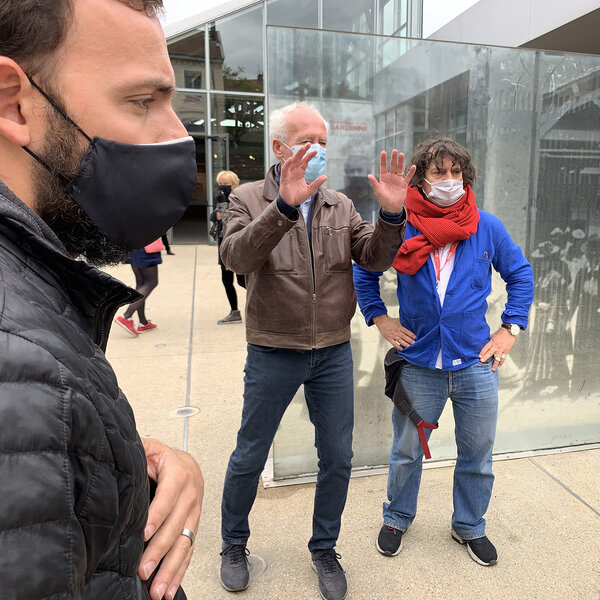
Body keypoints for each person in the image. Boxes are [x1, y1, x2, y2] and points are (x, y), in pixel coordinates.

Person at [0, 2, 204, 599]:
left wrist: (138, 468)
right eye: (143, 102)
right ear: (15, 101)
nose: (176, 135)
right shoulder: (23, 374)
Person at [218, 102, 413, 600]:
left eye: (325, 141)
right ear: (280, 148)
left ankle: (324, 546)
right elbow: (238, 257)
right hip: (272, 349)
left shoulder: (340, 206)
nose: (320, 150)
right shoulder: (245, 198)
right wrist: (282, 207)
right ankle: (233, 543)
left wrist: (393, 215)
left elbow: (374, 257)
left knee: (338, 457)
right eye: (310, 140)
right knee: (250, 454)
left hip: (330, 351)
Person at [353, 138, 534, 567]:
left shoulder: (486, 226)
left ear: (465, 177)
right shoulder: (401, 228)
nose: (449, 181)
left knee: (477, 453)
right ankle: (397, 517)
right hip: (418, 365)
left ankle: (469, 525)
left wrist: (510, 329)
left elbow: (520, 275)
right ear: (422, 177)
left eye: (456, 173)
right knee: (406, 451)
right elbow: (365, 268)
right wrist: (380, 318)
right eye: (439, 173)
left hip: (475, 363)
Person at [210, 170, 246, 324]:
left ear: (234, 184)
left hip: (236, 245)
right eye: (221, 184)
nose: (223, 187)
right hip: (223, 244)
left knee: (242, 281)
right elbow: (217, 218)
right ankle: (234, 312)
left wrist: (223, 206)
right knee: (226, 280)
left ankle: (267, 305)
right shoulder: (220, 197)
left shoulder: (240, 198)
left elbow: (230, 222)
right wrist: (214, 215)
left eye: (226, 184)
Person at [116, 247, 163, 336]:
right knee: (151, 282)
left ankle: (143, 322)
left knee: (141, 284)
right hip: (146, 248)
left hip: (133, 248)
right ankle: (126, 316)